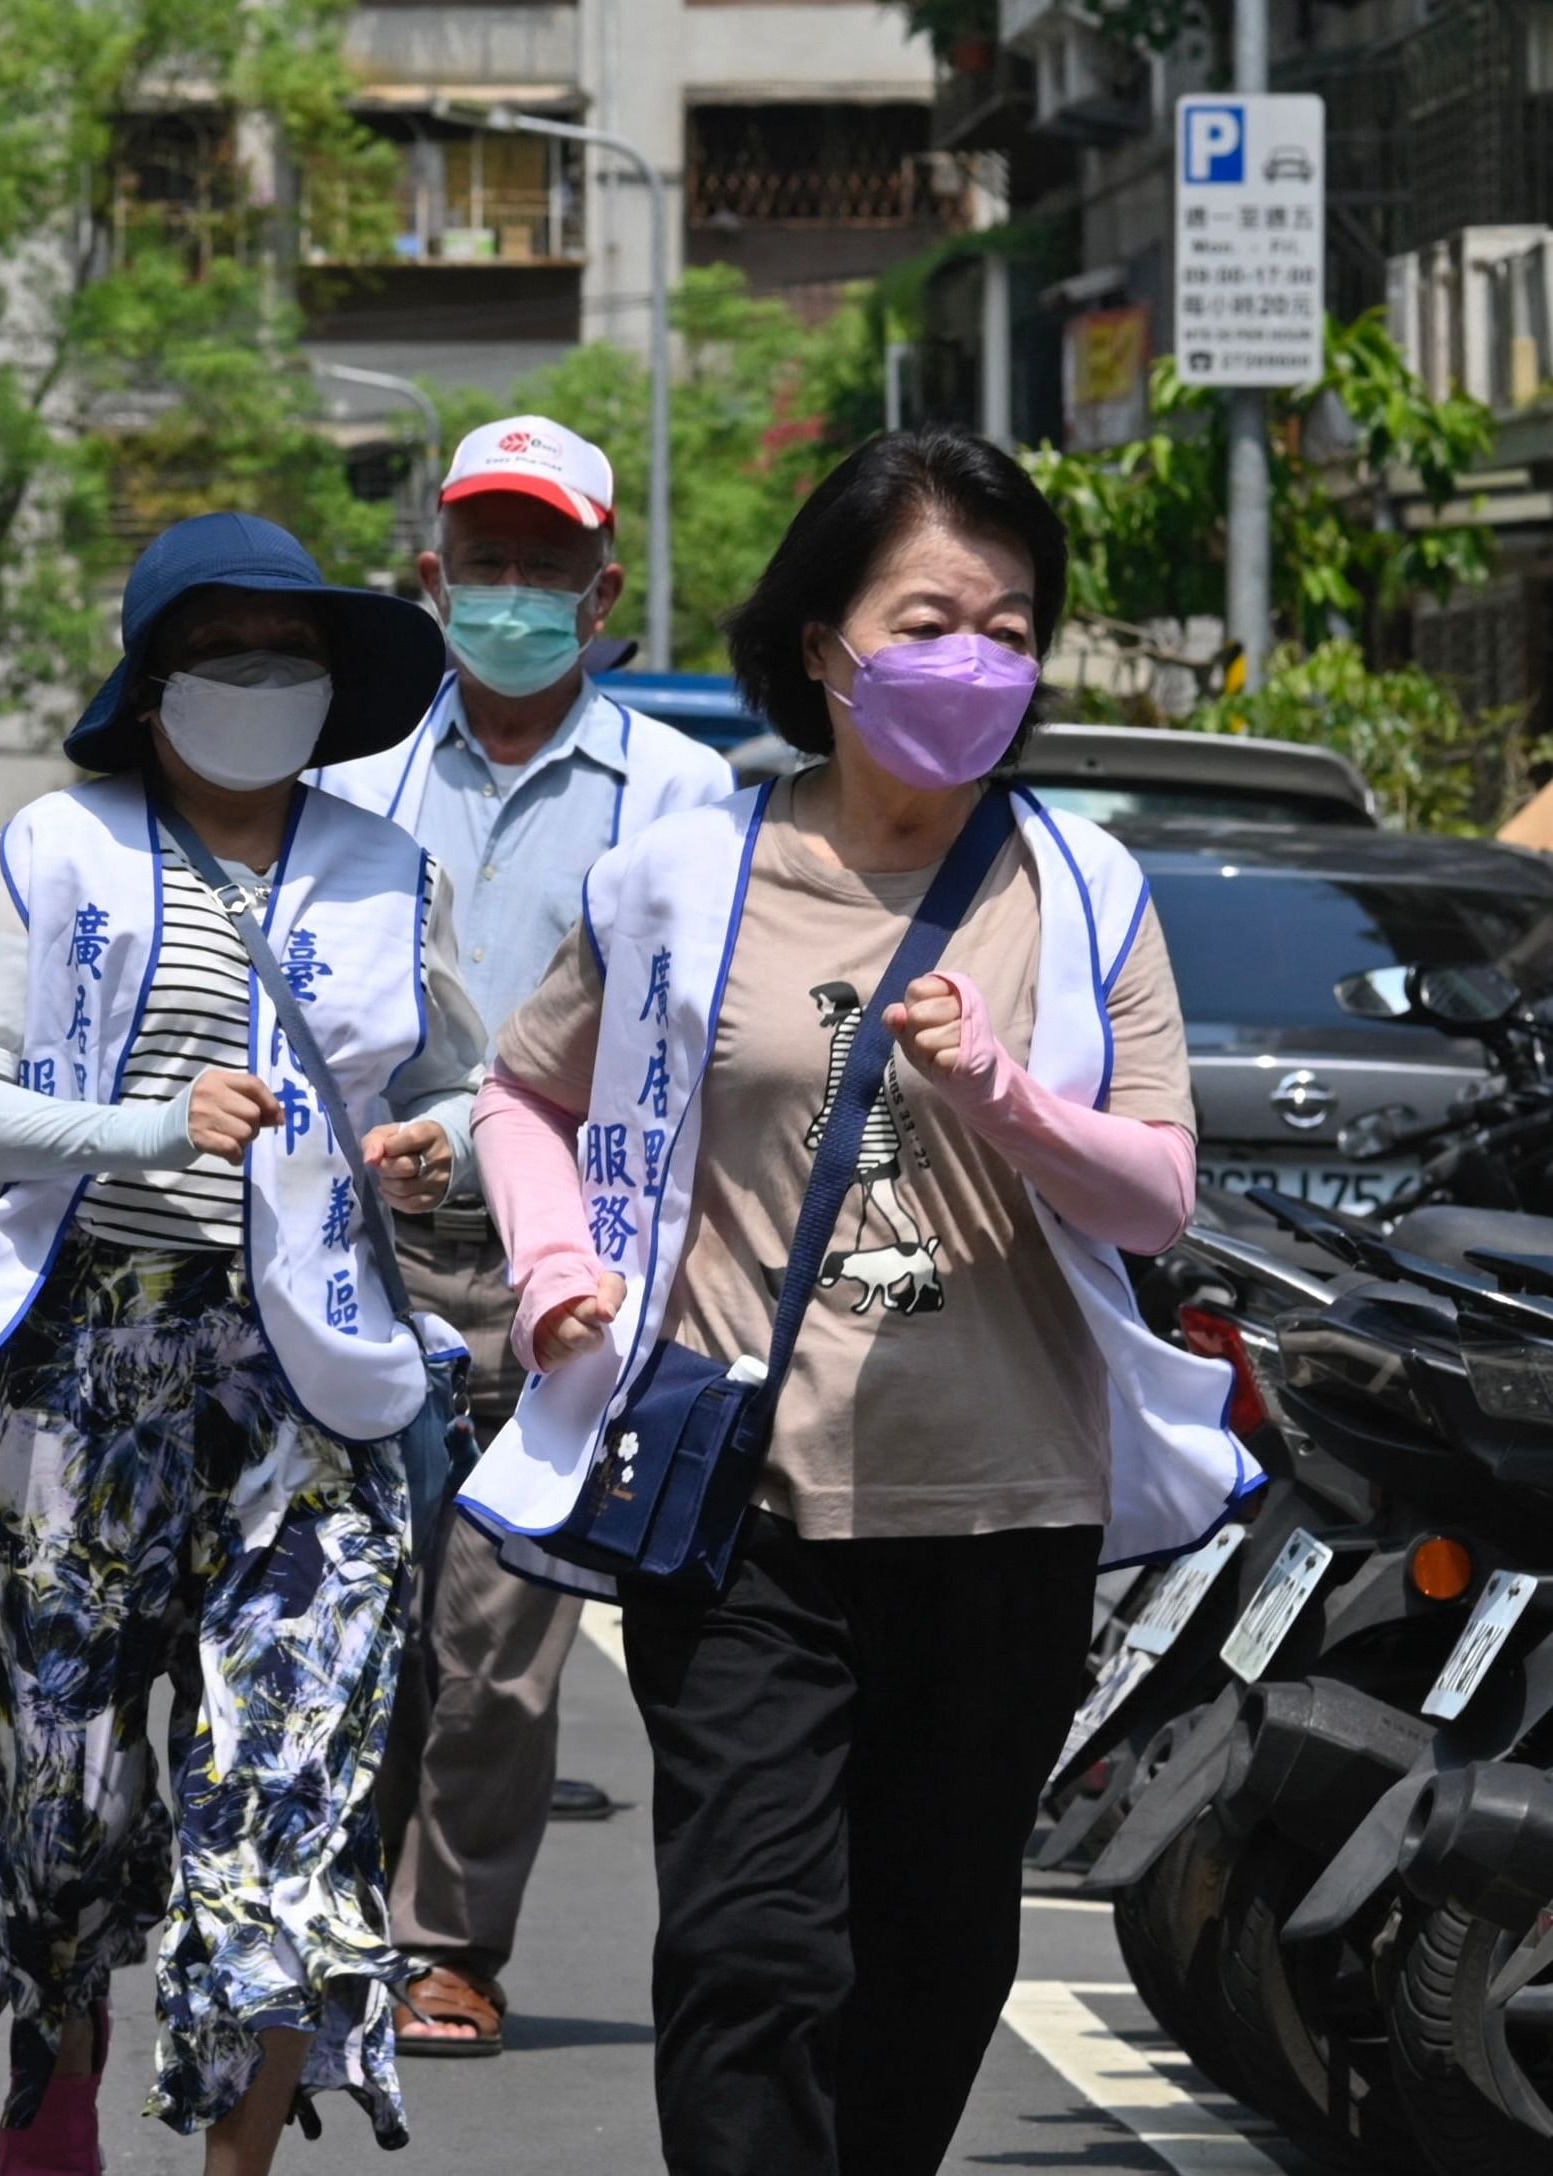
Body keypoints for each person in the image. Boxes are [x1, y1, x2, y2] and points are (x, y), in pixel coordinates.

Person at [456, 426, 1255, 2176]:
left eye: (1010, 621)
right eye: (927, 617)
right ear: (822, 644)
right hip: (741, 1511)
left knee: (928, 1953)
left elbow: (1155, 1189)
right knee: (750, 1950)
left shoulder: (1082, 888)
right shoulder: (677, 875)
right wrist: (552, 1272)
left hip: (1003, 1515)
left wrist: (1001, 1097)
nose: (975, 658)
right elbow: (523, 1094)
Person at [0, 512, 486, 2174]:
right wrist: (139, 1130)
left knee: (292, 1800)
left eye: (286, 651)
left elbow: (452, 1075)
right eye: (219, 650)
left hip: (316, 1388)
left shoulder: (387, 869)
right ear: (150, 684)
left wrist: (432, 1141)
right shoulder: (53, 849)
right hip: (88, 1373)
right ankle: (54, 2100)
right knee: (68, 1801)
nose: (255, 679)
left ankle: (237, 2161)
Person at [309, 415, 732, 2059]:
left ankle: (445, 1941)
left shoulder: (682, 794)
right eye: (478, 564)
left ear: (599, 586)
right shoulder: (349, 786)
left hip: (564, 1266)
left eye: (539, 568)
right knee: (354, 1599)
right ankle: (324, 1898)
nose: (506, 594)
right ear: (427, 580)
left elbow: (685, 1036)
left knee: (496, 1628)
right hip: (356, 1245)